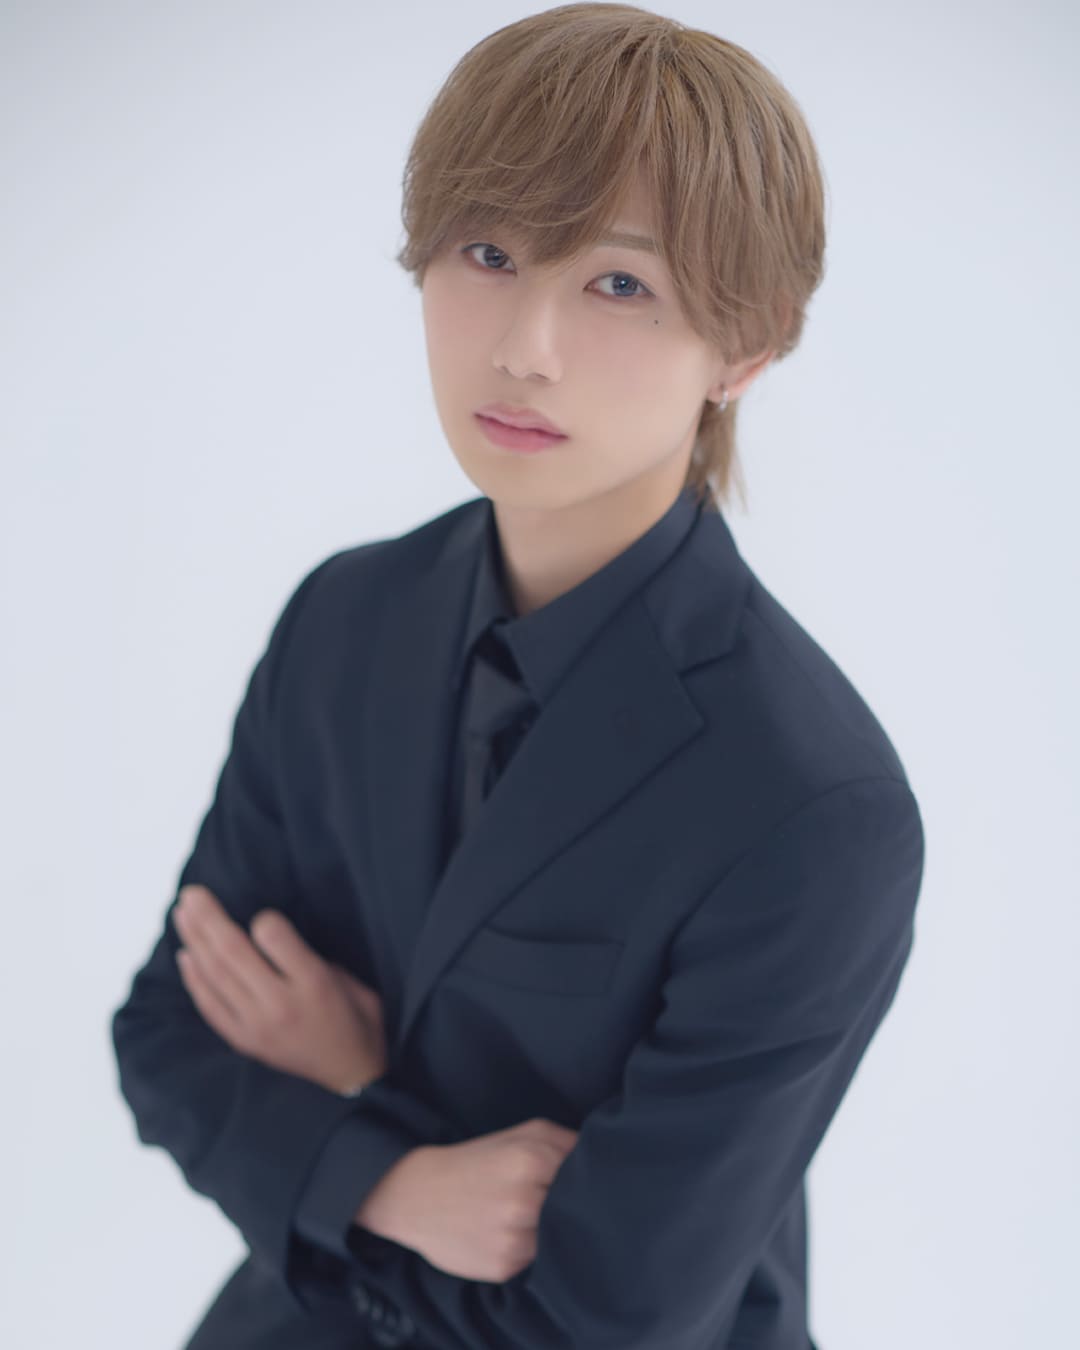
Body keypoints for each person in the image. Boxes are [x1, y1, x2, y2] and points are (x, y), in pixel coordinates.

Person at [110, 6, 925, 1348]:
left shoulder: (815, 802)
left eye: (620, 285)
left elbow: (601, 1319)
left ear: (747, 347)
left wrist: (349, 1092)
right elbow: (167, 1039)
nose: (524, 347)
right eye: (488, 253)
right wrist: (399, 1177)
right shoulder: (345, 619)